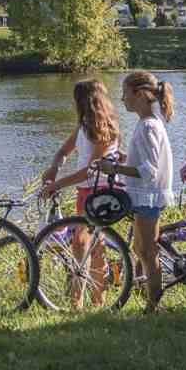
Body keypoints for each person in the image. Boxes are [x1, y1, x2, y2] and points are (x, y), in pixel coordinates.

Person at [38, 79, 121, 307]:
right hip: (86, 191)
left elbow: (89, 172)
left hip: (99, 191)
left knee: (91, 247)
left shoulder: (104, 127)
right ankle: (83, 301)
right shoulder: (85, 124)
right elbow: (64, 150)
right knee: (84, 246)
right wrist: (54, 167)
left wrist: (57, 185)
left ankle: (92, 301)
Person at [98, 70, 174, 312]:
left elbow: (149, 169)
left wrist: (115, 167)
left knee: (148, 252)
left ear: (140, 94)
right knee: (139, 249)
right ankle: (148, 300)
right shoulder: (147, 123)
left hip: (148, 196)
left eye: (125, 93)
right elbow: (144, 161)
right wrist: (124, 158)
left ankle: (154, 306)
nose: (122, 99)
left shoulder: (149, 126)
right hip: (145, 195)